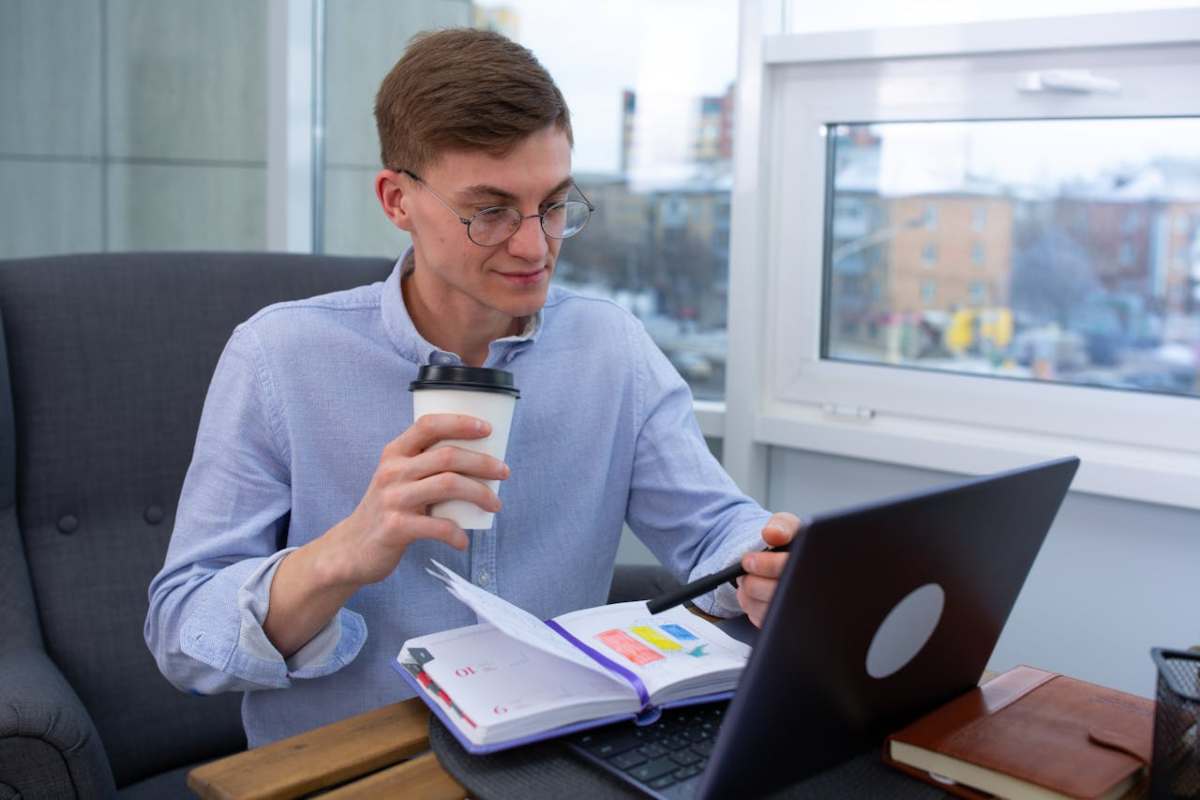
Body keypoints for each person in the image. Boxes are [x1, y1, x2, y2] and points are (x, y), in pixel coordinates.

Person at [145, 28, 799, 747]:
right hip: (351, 768)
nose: (534, 245)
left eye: (553, 204)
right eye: (489, 211)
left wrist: (765, 565)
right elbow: (181, 634)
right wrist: (340, 554)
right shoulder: (278, 356)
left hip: (550, 756)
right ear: (397, 200)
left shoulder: (611, 349)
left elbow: (715, 529)